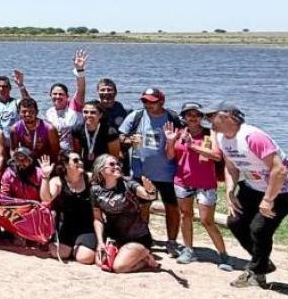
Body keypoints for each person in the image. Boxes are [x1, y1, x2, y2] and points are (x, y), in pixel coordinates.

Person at [206, 101, 288, 289]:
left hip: (284, 189)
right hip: (254, 187)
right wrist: (230, 192)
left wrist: (268, 200)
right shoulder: (221, 138)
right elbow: (231, 167)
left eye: (211, 116)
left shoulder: (252, 137)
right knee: (235, 222)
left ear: (227, 117)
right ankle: (263, 263)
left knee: (259, 228)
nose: (207, 120)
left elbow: (280, 170)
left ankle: (257, 273)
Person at [119, 87, 183, 257]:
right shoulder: (136, 116)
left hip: (167, 172)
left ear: (161, 101)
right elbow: (121, 136)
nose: (147, 104)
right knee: (143, 206)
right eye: (145, 101)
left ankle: (172, 242)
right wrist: (129, 139)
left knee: (172, 207)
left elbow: (183, 138)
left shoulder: (172, 117)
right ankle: (144, 239)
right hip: (141, 172)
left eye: (151, 102)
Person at [166, 102, 231, 270]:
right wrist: (170, 141)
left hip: (205, 183)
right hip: (182, 181)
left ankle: (223, 255)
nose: (193, 117)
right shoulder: (178, 133)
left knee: (207, 220)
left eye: (196, 114)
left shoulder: (210, 133)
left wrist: (192, 145)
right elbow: (170, 156)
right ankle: (188, 250)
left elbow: (216, 156)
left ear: (202, 117)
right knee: (185, 215)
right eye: (189, 114)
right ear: (184, 117)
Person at [90, 154, 160, 273]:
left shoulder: (128, 183)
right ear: (101, 170)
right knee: (100, 263)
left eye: (118, 164)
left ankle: (145, 257)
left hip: (137, 237)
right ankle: (128, 255)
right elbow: (98, 219)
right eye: (112, 164)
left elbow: (147, 195)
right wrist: (100, 242)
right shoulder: (95, 190)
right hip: (115, 238)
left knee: (119, 267)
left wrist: (151, 191)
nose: (117, 166)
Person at [39, 151, 95, 264]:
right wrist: (45, 176)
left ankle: (77, 249)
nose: (80, 162)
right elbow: (46, 198)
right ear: (66, 165)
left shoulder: (89, 178)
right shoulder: (57, 181)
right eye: (75, 160)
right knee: (58, 253)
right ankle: (73, 249)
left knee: (85, 258)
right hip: (65, 229)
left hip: (86, 229)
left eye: (80, 159)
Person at [46, 50, 88, 149]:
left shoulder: (74, 107)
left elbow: (81, 89)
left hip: (75, 151)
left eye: (61, 94)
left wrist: (80, 70)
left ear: (67, 96)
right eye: (54, 94)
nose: (57, 96)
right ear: (50, 95)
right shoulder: (49, 113)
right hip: (56, 151)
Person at [70, 101, 120, 166]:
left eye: (93, 112)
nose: (88, 115)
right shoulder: (77, 129)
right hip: (84, 165)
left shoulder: (110, 132)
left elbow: (114, 157)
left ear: (100, 115)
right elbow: (77, 152)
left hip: (104, 166)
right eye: (85, 112)